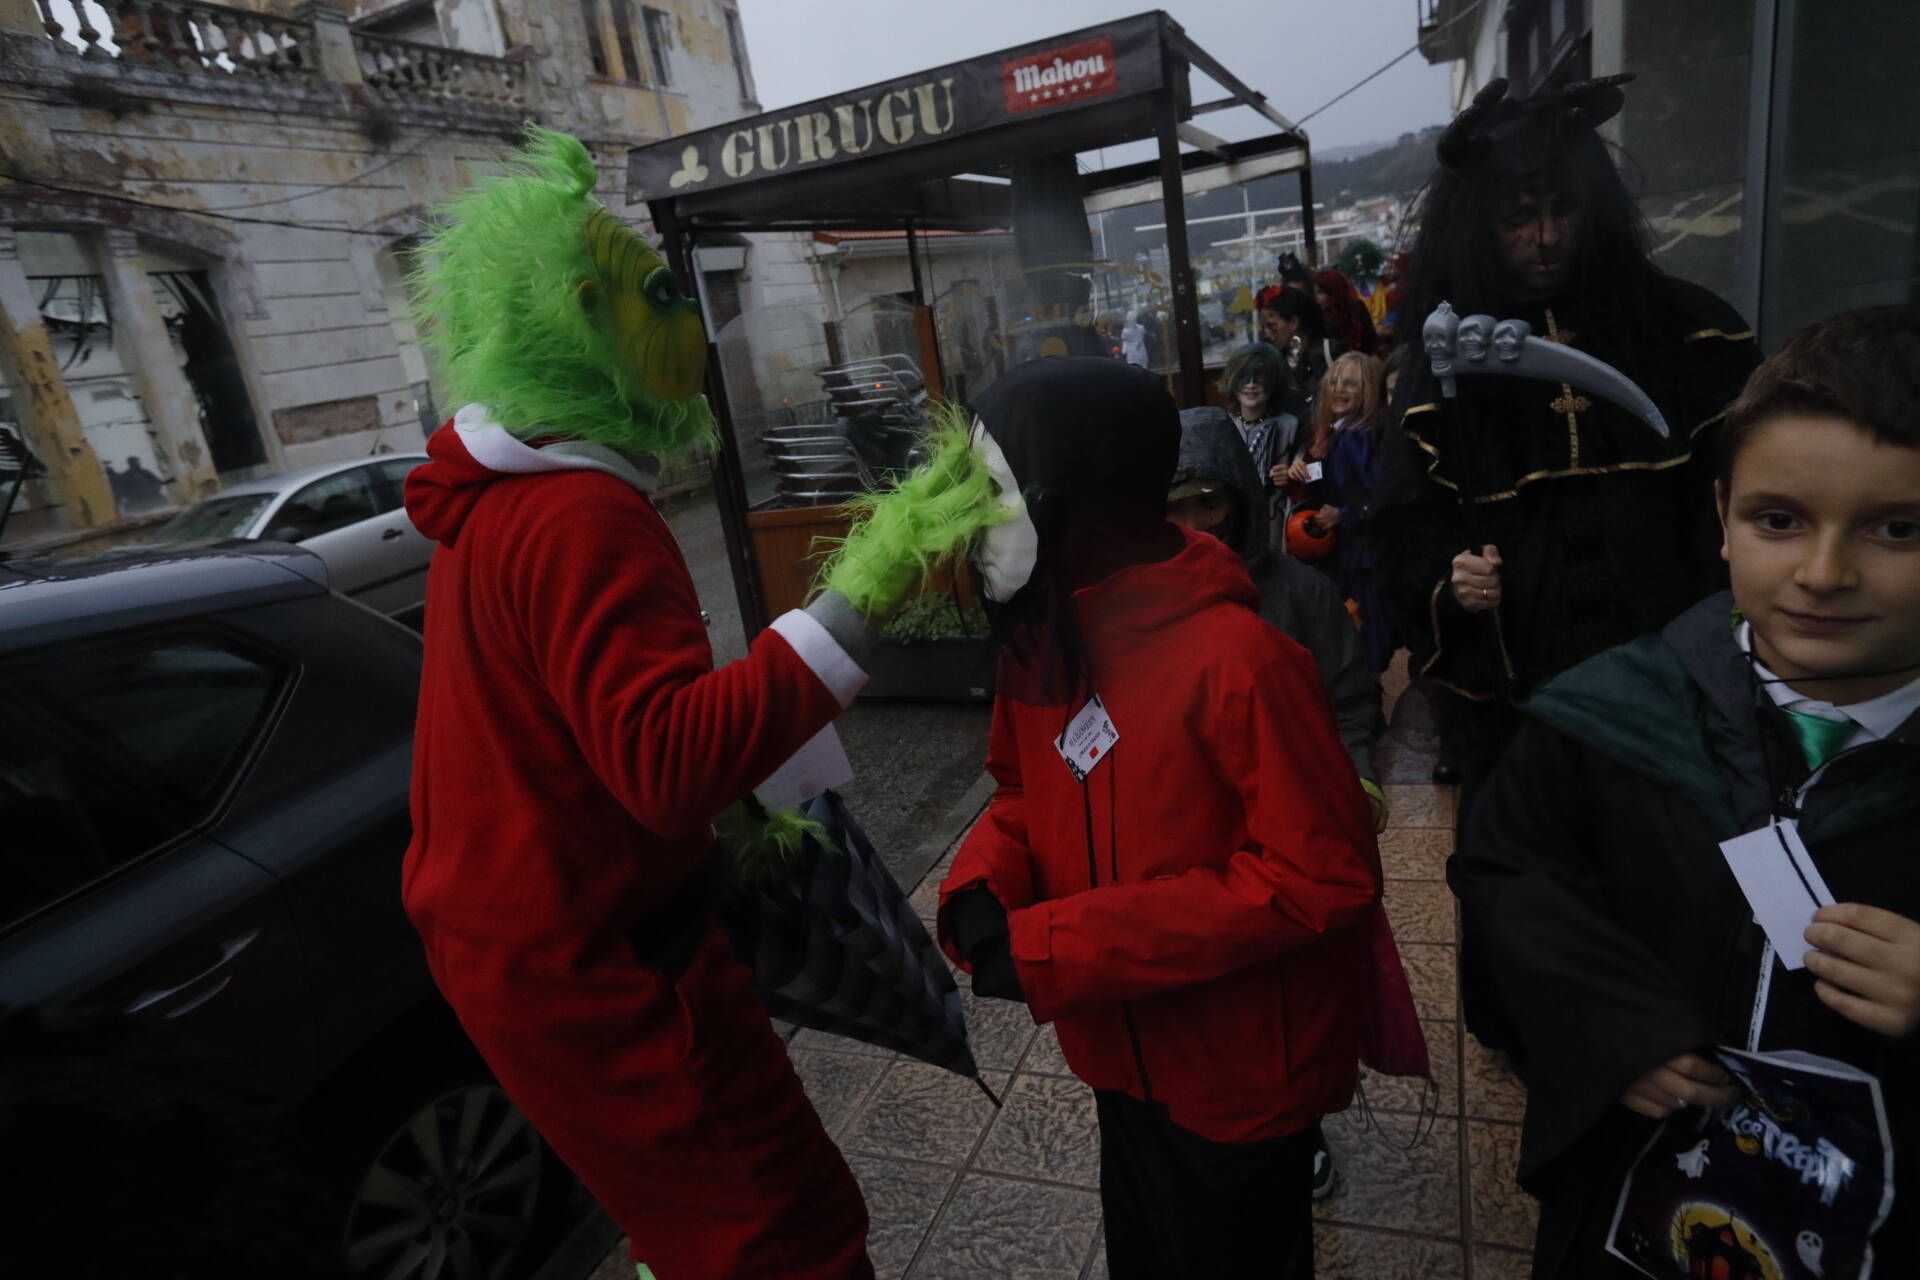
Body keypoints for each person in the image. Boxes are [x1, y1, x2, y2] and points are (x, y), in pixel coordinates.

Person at [400, 128, 993, 1280]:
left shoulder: (500, 502)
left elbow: (565, 737)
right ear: (586, 313)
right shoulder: (582, 513)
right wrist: (860, 596)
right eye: (665, 295)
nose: (698, 322)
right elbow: (662, 762)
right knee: (778, 1223)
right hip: (597, 962)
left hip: (520, 950)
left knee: (683, 1215)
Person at [1449, 306, 1920, 1277]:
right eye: (1778, 519)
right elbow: (1508, 869)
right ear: (1721, 518)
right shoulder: (1613, 715)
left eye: (1897, 528)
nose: (1824, 572)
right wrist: (1608, 1027)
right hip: (1648, 1180)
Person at [935, 357, 1425, 1278]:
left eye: (993, 490)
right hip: (1120, 1056)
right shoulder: (1048, 642)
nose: (970, 522)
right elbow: (1016, 789)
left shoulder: (1242, 663)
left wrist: (1062, 945)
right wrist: (981, 885)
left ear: (1090, 500)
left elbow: (1321, 877)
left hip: (1238, 1078)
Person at [1373, 78, 1761, 1041]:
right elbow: (1405, 528)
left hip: (1663, 664)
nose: (1543, 239)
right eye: (1517, 218)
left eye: (1560, 212)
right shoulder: (1444, 362)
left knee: (1664, 854)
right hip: (1524, 680)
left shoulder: (1686, 334)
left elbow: (1741, 503)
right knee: (1530, 853)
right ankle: (1533, 1022)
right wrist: (1448, 584)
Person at [1308, 352, 1397, 673]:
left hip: (1362, 557)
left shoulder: (1356, 438)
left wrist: (1342, 515)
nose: (1340, 389)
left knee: (1365, 638)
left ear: (1370, 391)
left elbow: (1377, 498)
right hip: (1347, 553)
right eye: (1334, 383)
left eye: (1351, 384)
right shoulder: (1336, 433)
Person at [1219, 340, 1304, 549]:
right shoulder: (1222, 426)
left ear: (1274, 383)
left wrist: (1292, 476)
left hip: (1276, 527)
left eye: (1260, 378)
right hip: (1233, 527)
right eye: (1243, 377)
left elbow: (1317, 472)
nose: (1250, 384)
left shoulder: (1292, 426)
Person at [1259, 285, 1342, 396]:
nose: (1266, 333)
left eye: (1271, 325)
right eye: (1263, 326)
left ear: (1293, 322)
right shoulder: (1274, 363)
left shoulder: (1331, 355)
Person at [1312, 268, 1378, 360]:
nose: (1316, 298)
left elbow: (1371, 341)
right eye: (1314, 293)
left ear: (1333, 293)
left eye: (1320, 292)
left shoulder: (1357, 308)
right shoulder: (1318, 318)